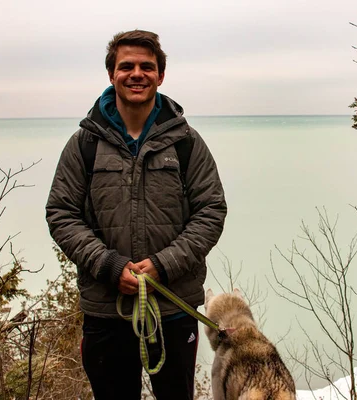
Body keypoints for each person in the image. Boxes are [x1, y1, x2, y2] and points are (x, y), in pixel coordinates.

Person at [45, 29, 227, 400]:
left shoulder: (186, 142)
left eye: (147, 66)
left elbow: (211, 210)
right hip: (105, 309)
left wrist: (162, 264)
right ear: (112, 75)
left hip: (172, 307)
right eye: (126, 66)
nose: (137, 74)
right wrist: (110, 267)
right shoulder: (86, 143)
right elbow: (61, 213)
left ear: (161, 76)